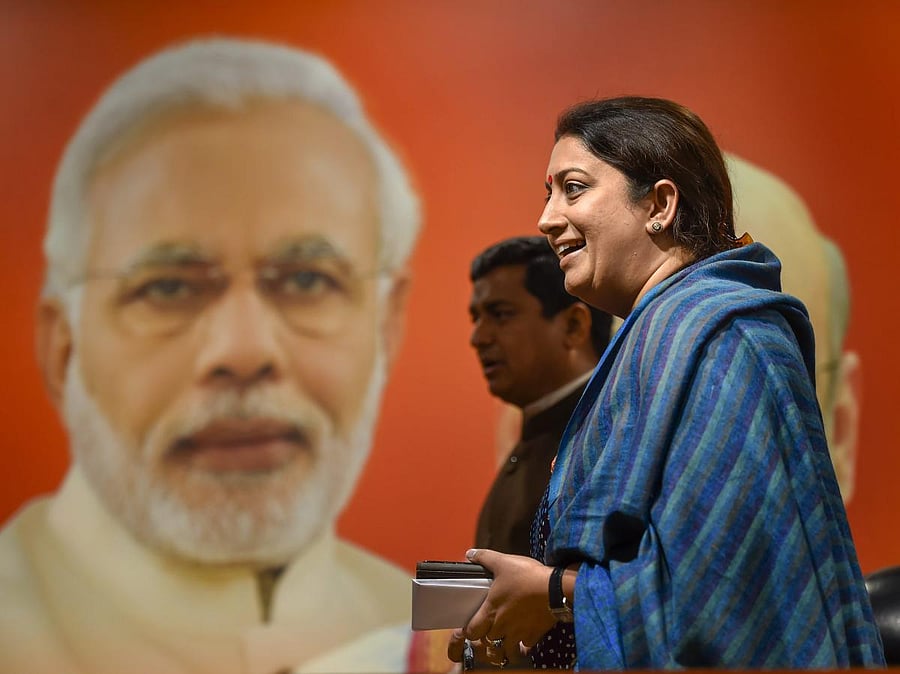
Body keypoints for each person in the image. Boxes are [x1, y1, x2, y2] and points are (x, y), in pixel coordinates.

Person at [0, 37, 421, 674]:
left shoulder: (438, 640)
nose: (245, 351)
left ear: (386, 330)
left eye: (307, 280)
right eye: (168, 288)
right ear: (64, 351)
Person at [447, 96, 884, 669]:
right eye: (547, 193)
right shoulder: (657, 339)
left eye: (573, 188)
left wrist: (553, 594)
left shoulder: (728, 341)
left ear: (660, 203)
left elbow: (732, 596)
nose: (547, 218)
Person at [468, 236, 611, 556]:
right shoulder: (539, 433)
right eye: (475, 318)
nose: (478, 337)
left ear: (574, 325)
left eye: (500, 314)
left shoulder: (607, 435)